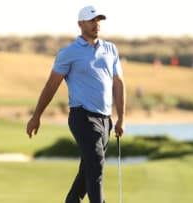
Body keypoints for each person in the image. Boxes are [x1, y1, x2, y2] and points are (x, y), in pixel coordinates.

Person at [26, 5, 126, 203]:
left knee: (87, 170)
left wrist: (121, 118)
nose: (96, 24)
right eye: (92, 20)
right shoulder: (68, 53)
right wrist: (37, 115)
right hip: (82, 117)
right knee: (96, 164)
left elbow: (118, 83)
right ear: (81, 24)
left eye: (99, 20)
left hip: (105, 120)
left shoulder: (110, 49)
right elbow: (51, 85)